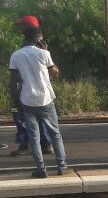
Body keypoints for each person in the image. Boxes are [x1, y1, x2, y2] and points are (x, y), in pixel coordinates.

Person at [8, 15, 68, 177]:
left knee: (33, 137)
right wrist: (47, 52)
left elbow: (13, 83)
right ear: (37, 38)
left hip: (27, 100)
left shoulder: (16, 55)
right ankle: (61, 166)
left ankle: (41, 169)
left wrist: (16, 102)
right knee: (55, 134)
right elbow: (55, 73)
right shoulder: (43, 53)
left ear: (24, 36)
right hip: (46, 99)